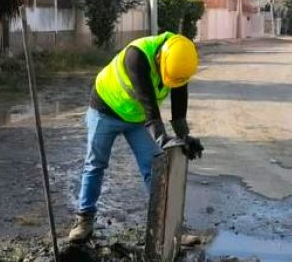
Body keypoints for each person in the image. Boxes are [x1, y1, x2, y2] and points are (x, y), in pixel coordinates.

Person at [68, 31, 203, 242]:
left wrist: (184, 136)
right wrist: (162, 139)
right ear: (160, 57)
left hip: (136, 118)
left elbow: (178, 107)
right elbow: (149, 104)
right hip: (105, 111)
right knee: (95, 164)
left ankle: (170, 229)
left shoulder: (178, 64)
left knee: (155, 167)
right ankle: (84, 220)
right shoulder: (137, 56)